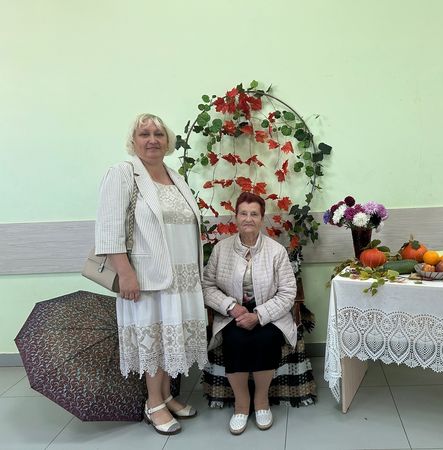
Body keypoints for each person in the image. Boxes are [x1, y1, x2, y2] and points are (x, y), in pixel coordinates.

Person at [95, 113, 207, 435]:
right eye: (144, 134)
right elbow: (109, 229)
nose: (152, 140)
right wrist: (125, 273)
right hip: (146, 277)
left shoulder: (175, 176)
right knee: (155, 340)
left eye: (158, 134)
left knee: (171, 339)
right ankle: (154, 403)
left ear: (167, 141)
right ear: (133, 141)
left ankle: (167, 395)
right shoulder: (123, 174)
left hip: (182, 278)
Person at [202, 192, 297, 435]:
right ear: (235, 217)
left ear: (262, 219)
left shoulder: (276, 251)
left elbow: (288, 292)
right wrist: (231, 307)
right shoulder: (221, 249)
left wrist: (259, 315)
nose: (248, 219)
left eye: (254, 214)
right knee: (235, 339)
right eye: (243, 213)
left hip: (269, 313)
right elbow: (207, 286)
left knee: (266, 338)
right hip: (232, 314)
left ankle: (261, 401)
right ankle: (241, 404)